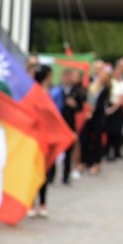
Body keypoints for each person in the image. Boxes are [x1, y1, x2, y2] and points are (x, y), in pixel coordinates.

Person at [54, 67, 85, 181]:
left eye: (69, 76)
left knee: (68, 148)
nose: (67, 79)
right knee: (55, 147)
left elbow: (81, 107)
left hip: (70, 122)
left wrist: (74, 105)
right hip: (58, 122)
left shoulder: (76, 91)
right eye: (65, 76)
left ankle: (66, 175)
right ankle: (51, 175)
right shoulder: (57, 90)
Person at [32, 65, 56, 217]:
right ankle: (35, 202)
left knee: (44, 170)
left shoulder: (48, 93)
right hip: (37, 135)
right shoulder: (36, 93)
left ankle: (41, 203)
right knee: (37, 169)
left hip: (45, 135)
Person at [80, 63, 110, 176]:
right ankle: (85, 161)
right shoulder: (90, 82)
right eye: (96, 68)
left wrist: (92, 111)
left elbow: (101, 102)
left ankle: (96, 163)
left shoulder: (105, 85)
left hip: (98, 116)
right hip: (88, 115)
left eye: (99, 69)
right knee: (85, 138)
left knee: (97, 140)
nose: (97, 71)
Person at [106, 57, 123, 160]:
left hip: (118, 109)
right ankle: (106, 151)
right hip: (109, 106)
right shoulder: (110, 82)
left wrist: (113, 109)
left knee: (117, 131)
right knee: (108, 131)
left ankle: (117, 151)